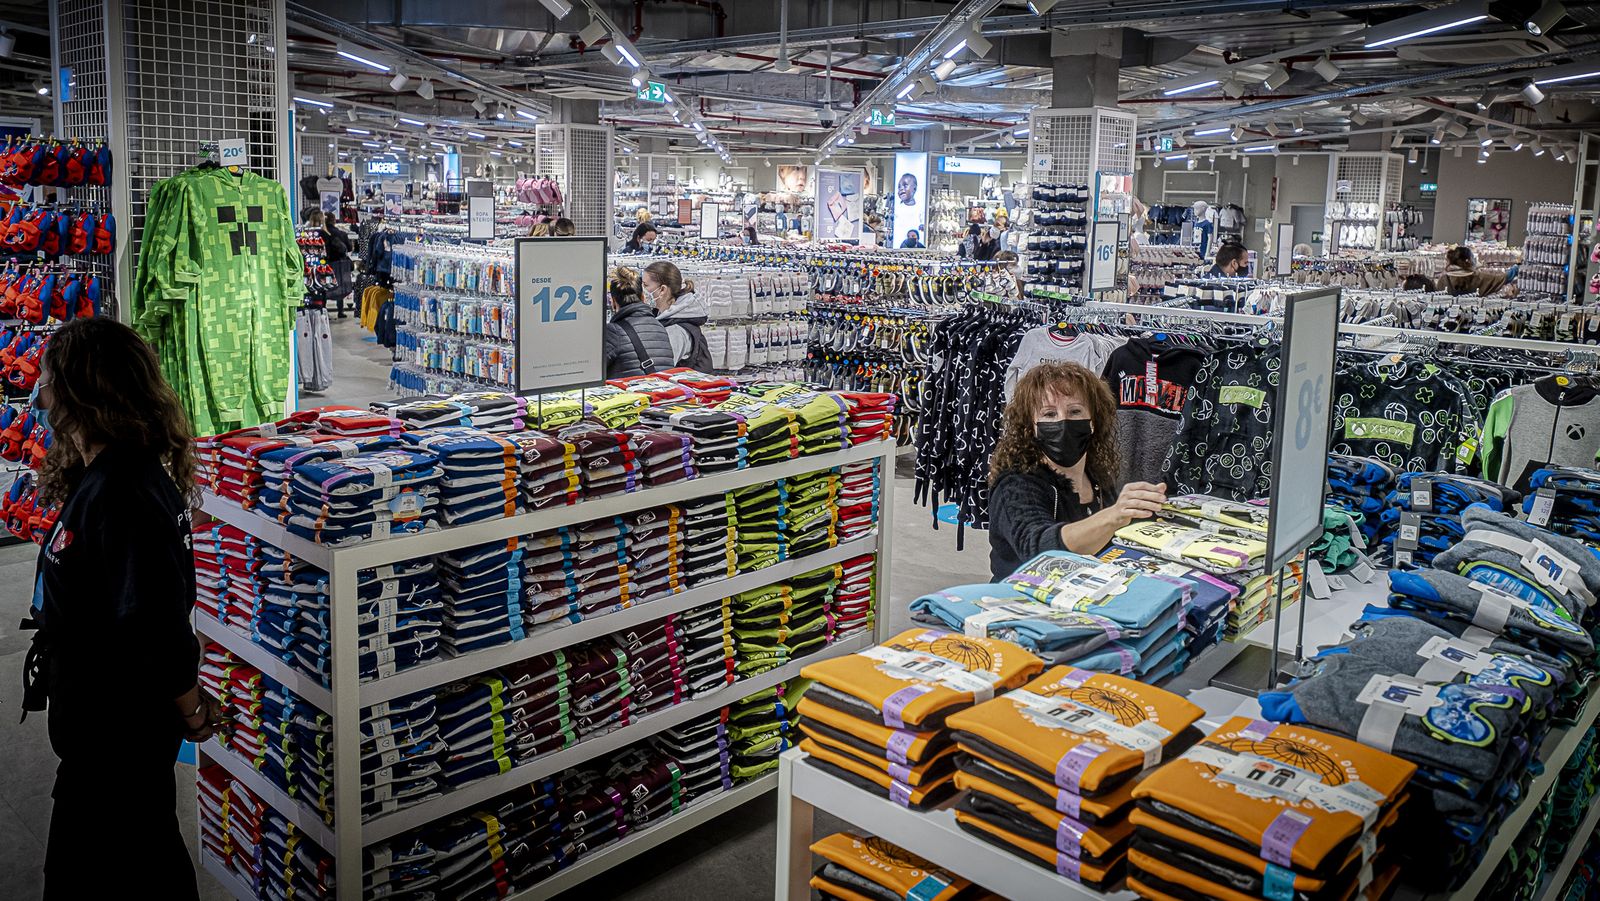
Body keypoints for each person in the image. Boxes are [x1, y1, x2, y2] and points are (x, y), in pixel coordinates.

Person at [20, 318, 212, 900]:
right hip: (99, 740)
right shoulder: (99, 474)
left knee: (127, 864)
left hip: (117, 742)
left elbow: (156, 624)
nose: (39, 390)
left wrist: (192, 708)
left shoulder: (124, 491)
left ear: (81, 390)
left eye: (48, 379)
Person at [986, 362, 1167, 581]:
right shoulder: (1015, 485)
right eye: (1049, 414)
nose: (1064, 421)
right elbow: (1039, 549)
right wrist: (1114, 515)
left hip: (1085, 595)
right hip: (1022, 601)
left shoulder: (1096, 476)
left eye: (1075, 411)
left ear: (1093, 420)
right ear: (1031, 426)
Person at [643, 260, 714, 371]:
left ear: (662, 290)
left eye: (645, 285)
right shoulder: (665, 317)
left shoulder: (676, 331)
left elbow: (660, 369)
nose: (642, 290)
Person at [604, 266, 674, 378]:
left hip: (631, 394)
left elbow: (593, 373)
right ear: (643, 298)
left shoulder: (613, 332)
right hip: (660, 393)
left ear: (613, 302)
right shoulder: (659, 326)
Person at [1440, 245, 1509, 297]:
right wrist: (1516, 268)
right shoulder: (1479, 278)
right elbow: (1503, 279)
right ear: (1468, 260)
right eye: (1473, 258)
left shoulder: (1443, 279)